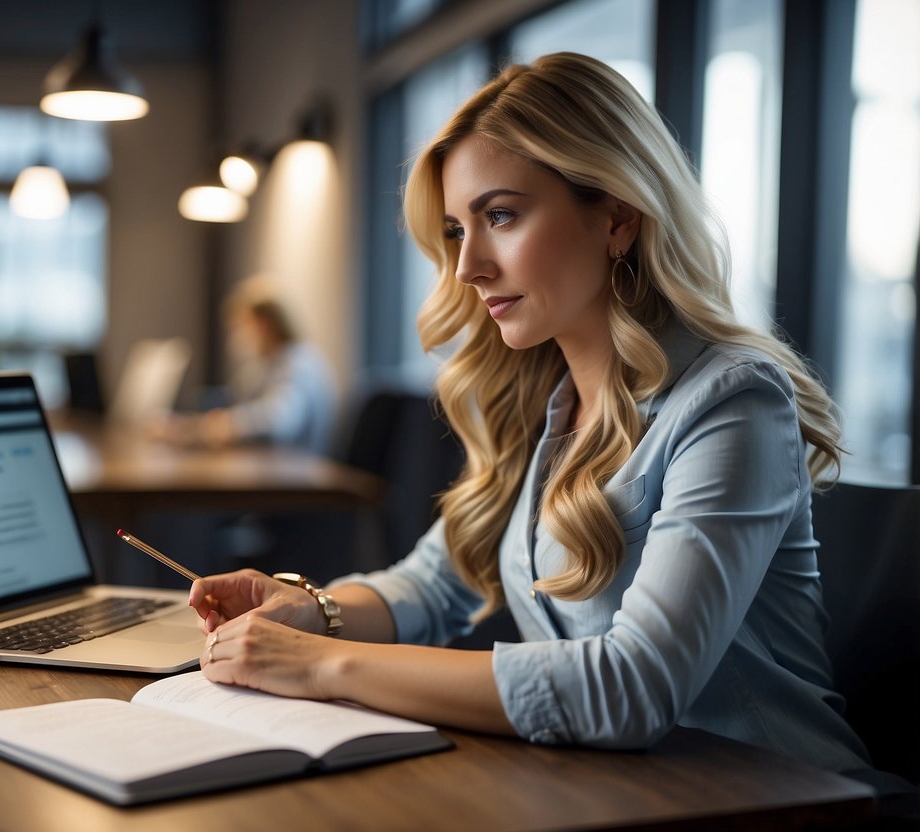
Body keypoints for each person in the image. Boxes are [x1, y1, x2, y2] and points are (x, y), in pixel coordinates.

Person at [185, 53, 890, 788]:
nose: (468, 267)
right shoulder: (540, 402)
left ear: (616, 216)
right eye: (458, 229)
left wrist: (321, 664)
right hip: (613, 795)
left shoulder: (733, 403)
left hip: (779, 800)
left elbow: (630, 689)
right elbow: (431, 585)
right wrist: (308, 611)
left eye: (500, 216)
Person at [161, 277, 337, 455]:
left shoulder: (300, 364)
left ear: (264, 325)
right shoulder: (268, 365)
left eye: (240, 326)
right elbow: (237, 406)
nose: (235, 336)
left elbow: (278, 422)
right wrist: (190, 427)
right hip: (276, 467)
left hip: (297, 475)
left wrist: (225, 424)